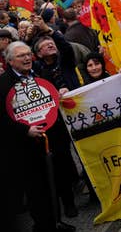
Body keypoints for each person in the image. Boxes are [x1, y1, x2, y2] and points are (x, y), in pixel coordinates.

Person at [0, 41, 77, 231]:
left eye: (28, 54)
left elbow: (51, 102)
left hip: (51, 140)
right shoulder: (3, 85)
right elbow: (2, 119)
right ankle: (44, 226)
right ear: (10, 61)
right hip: (24, 148)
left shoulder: (42, 74)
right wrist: (25, 131)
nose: (27, 58)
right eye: (21, 56)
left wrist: (59, 95)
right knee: (37, 191)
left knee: (54, 183)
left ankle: (57, 221)